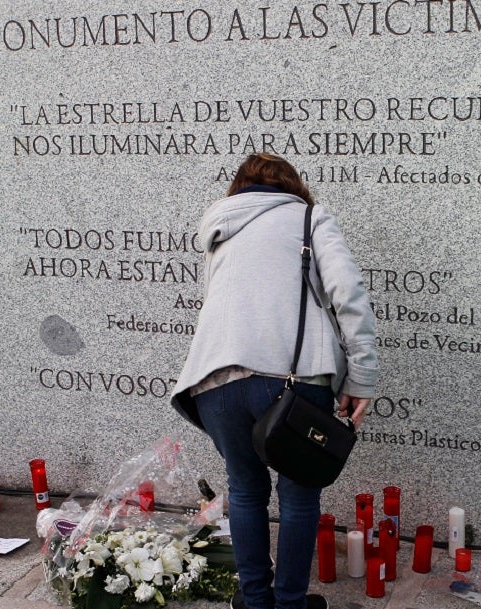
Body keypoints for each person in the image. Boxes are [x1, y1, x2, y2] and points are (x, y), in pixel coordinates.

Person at [171, 153, 379, 609]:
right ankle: (289, 604)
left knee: (245, 490)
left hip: (214, 381)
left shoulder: (219, 229)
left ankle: (254, 601)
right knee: (299, 495)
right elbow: (348, 293)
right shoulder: (309, 218)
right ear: (292, 187)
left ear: (239, 188)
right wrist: (361, 375)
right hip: (292, 378)